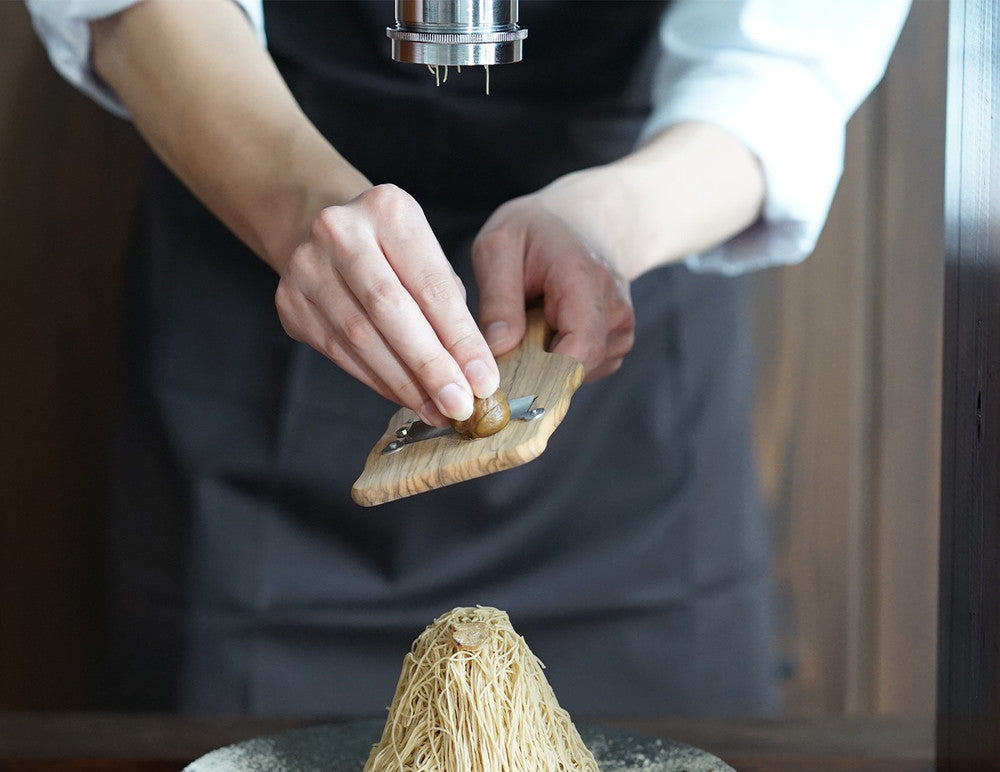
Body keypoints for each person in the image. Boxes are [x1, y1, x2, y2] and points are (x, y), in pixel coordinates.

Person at [27, 0, 910, 717]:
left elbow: (783, 59)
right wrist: (296, 206)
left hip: (616, 369)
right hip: (256, 317)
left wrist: (610, 224)